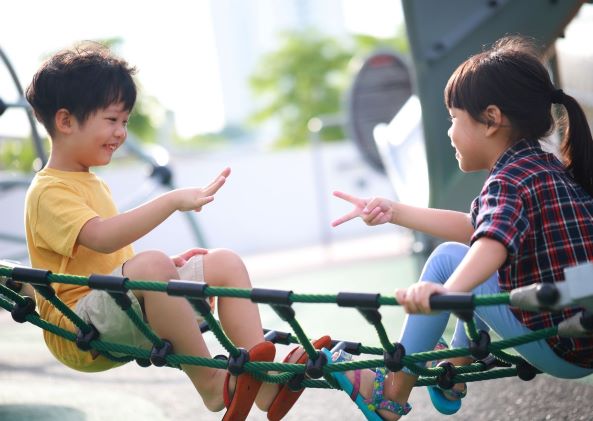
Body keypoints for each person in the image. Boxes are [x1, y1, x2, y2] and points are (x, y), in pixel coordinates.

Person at [23, 42, 325, 421]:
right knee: (152, 264)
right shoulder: (49, 190)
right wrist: (170, 203)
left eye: (126, 121)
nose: (121, 133)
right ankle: (212, 385)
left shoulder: (93, 183)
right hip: (79, 328)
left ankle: (263, 382)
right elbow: (102, 237)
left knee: (223, 264)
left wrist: (167, 270)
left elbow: (111, 258)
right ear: (66, 121)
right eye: (112, 120)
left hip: (114, 308)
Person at [329, 35, 593, 420]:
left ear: (491, 119)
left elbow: (489, 245)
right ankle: (456, 365)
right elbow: (477, 228)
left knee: (449, 261)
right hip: (581, 332)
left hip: (560, 344)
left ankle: (390, 393)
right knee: (469, 261)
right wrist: (394, 211)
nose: (449, 132)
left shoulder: (510, 179)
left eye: (454, 118)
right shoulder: (544, 167)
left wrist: (445, 293)